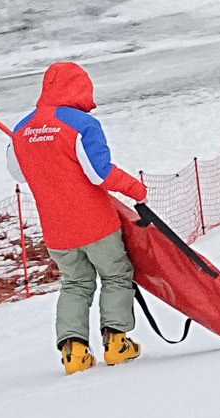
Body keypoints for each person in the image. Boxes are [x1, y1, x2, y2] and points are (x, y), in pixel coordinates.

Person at [8, 62, 149, 374]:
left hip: (57, 230)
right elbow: (101, 174)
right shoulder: (82, 125)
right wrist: (136, 189)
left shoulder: (20, 130)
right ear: (81, 89)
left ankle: (75, 352)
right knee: (115, 276)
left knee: (75, 283)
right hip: (95, 223)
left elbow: (17, 172)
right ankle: (116, 342)